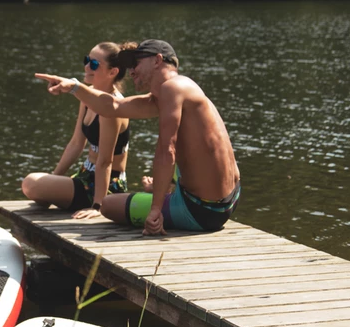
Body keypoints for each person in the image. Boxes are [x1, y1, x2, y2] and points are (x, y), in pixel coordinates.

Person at [35, 39, 240, 236]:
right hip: (227, 201)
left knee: (108, 205)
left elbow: (166, 150)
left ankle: (167, 197)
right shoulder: (178, 91)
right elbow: (112, 106)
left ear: (158, 60)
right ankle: (169, 191)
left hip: (201, 211)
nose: (131, 71)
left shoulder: (172, 88)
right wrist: (73, 87)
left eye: (136, 63)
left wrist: (155, 210)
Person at [22, 42, 135, 220]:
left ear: (112, 72)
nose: (87, 66)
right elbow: (76, 143)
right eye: (87, 60)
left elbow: (106, 161)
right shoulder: (87, 95)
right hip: (85, 175)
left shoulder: (112, 108)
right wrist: (52, 178)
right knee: (35, 184)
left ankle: (96, 200)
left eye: (94, 64)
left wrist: (98, 206)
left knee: (31, 183)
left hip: (107, 185)